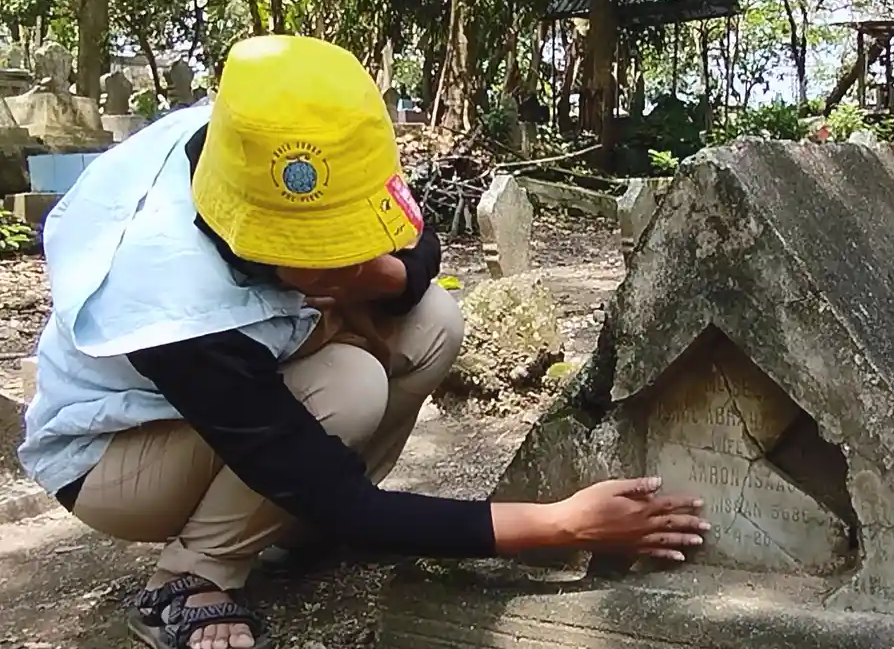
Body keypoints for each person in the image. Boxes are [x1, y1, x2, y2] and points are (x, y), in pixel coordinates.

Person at [18, 35, 709, 649]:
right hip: (114, 452)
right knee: (348, 388)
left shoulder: (288, 138)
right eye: (324, 248)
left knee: (432, 320)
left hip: (239, 386)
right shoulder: (169, 297)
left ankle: (295, 528)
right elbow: (350, 500)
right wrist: (565, 524)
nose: (347, 255)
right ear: (255, 230)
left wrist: (377, 272)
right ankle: (193, 574)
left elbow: (418, 249)